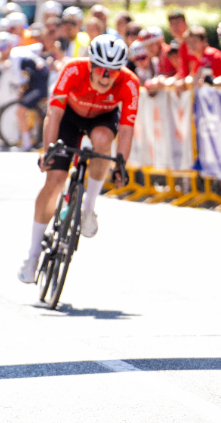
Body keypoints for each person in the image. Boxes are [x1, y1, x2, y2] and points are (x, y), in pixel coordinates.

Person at [17, 35, 140, 284]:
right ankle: (32, 256)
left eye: (113, 72)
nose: (106, 77)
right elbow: (54, 112)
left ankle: (88, 207)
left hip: (102, 119)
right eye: (102, 70)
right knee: (55, 181)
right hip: (69, 118)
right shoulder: (73, 69)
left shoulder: (129, 83)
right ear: (92, 65)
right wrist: (48, 150)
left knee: (104, 140)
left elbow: (126, 129)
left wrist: (121, 164)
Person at [0, 32, 50, 151]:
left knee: (20, 111)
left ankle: (27, 143)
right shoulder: (19, 51)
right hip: (37, 82)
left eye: (4, 47)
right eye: (0, 48)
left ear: (9, 45)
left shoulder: (14, 57)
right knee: (30, 110)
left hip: (40, 84)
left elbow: (19, 81)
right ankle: (33, 139)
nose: (2, 50)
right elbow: (39, 47)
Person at [181, 25, 221, 89]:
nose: (191, 45)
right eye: (189, 42)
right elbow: (193, 77)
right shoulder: (199, 58)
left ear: (204, 41)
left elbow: (196, 80)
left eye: (194, 41)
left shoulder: (210, 54)